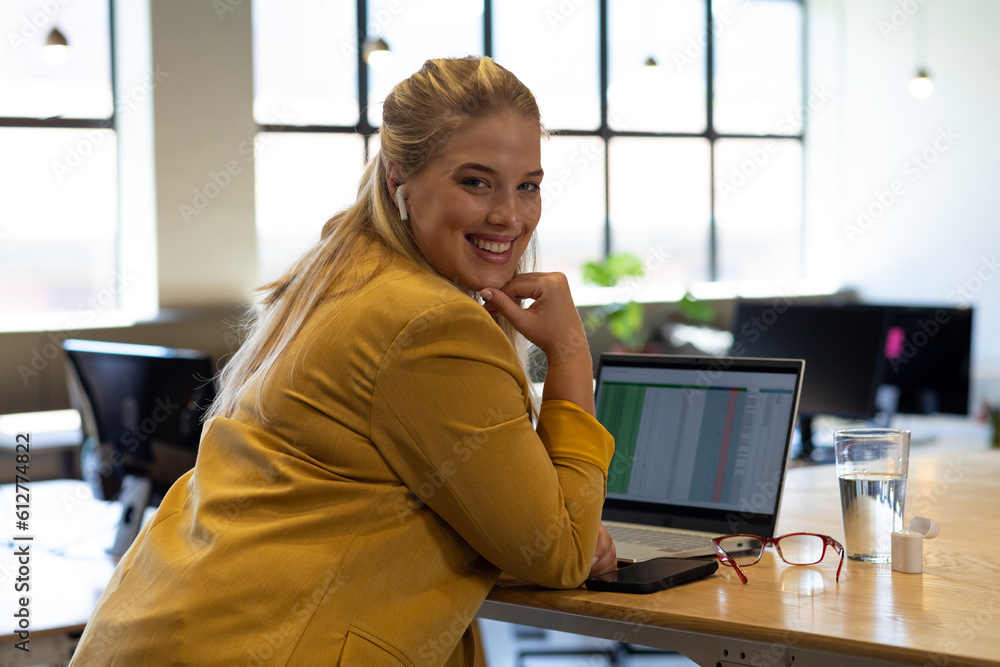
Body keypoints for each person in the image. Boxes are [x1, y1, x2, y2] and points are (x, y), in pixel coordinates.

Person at [70, 55, 615, 666]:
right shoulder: (432, 324)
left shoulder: (340, 272)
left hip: (166, 630)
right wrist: (568, 353)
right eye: (474, 181)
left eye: (528, 185)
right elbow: (559, 552)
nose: (509, 216)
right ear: (397, 179)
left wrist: (540, 521)